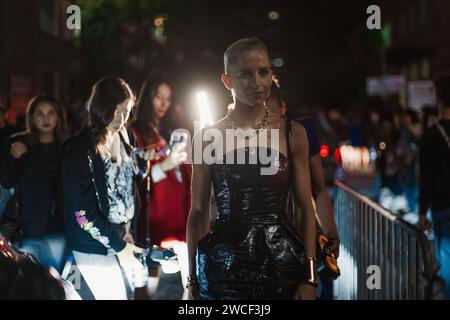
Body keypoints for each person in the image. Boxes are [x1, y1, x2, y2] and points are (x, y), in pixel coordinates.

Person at [186, 38, 317, 300]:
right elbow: (198, 212)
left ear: (272, 75)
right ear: (227, 81)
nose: (256, 82)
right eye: (245, 74)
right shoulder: (206, 137)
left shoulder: (293, 133)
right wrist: (192, 281)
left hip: (281, 265)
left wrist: (310, 278)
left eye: (263, 72)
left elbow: (304, 208)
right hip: (223, 269)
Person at [62, 77, 146, 300]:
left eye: (126, 112)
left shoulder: (126, 136)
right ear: (101, 109)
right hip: (92, 243)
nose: (121, 119)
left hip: (123, 236)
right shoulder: (79, 148)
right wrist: (119, 246)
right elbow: (82, 214)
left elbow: (130, 182)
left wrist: (128, 232)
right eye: (116, 112)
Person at [266, 79, 340, 299]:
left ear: (283, 107)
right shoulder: (242, 136)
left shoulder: (301, 131)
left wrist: (331, 233)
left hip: (302, 236)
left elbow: (317, 189)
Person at [0, 95, 68, 272]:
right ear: (32, 117)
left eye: (50, 113)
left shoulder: (68, 147)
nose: (46, 119)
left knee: (57, 282)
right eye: (40, 113)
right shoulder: (19, 143)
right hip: (26, 227)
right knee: (28, 284)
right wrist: (13, 158)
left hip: (57, 227)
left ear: (58, 116)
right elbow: (7, 181)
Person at [131, 76, 190, 247]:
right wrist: (164, 166)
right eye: (159, 97)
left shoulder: (172, 130)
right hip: (155, 214)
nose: (164, 104)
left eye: (168, 99)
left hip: (179, 208)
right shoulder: (135, 132)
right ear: (148, 98)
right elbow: (135, 180)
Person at [419, 75, 450, 299]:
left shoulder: (431, 135)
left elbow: (426, 177)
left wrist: (422, 211)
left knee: (447, 255)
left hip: (443, 203)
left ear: (439, 100)